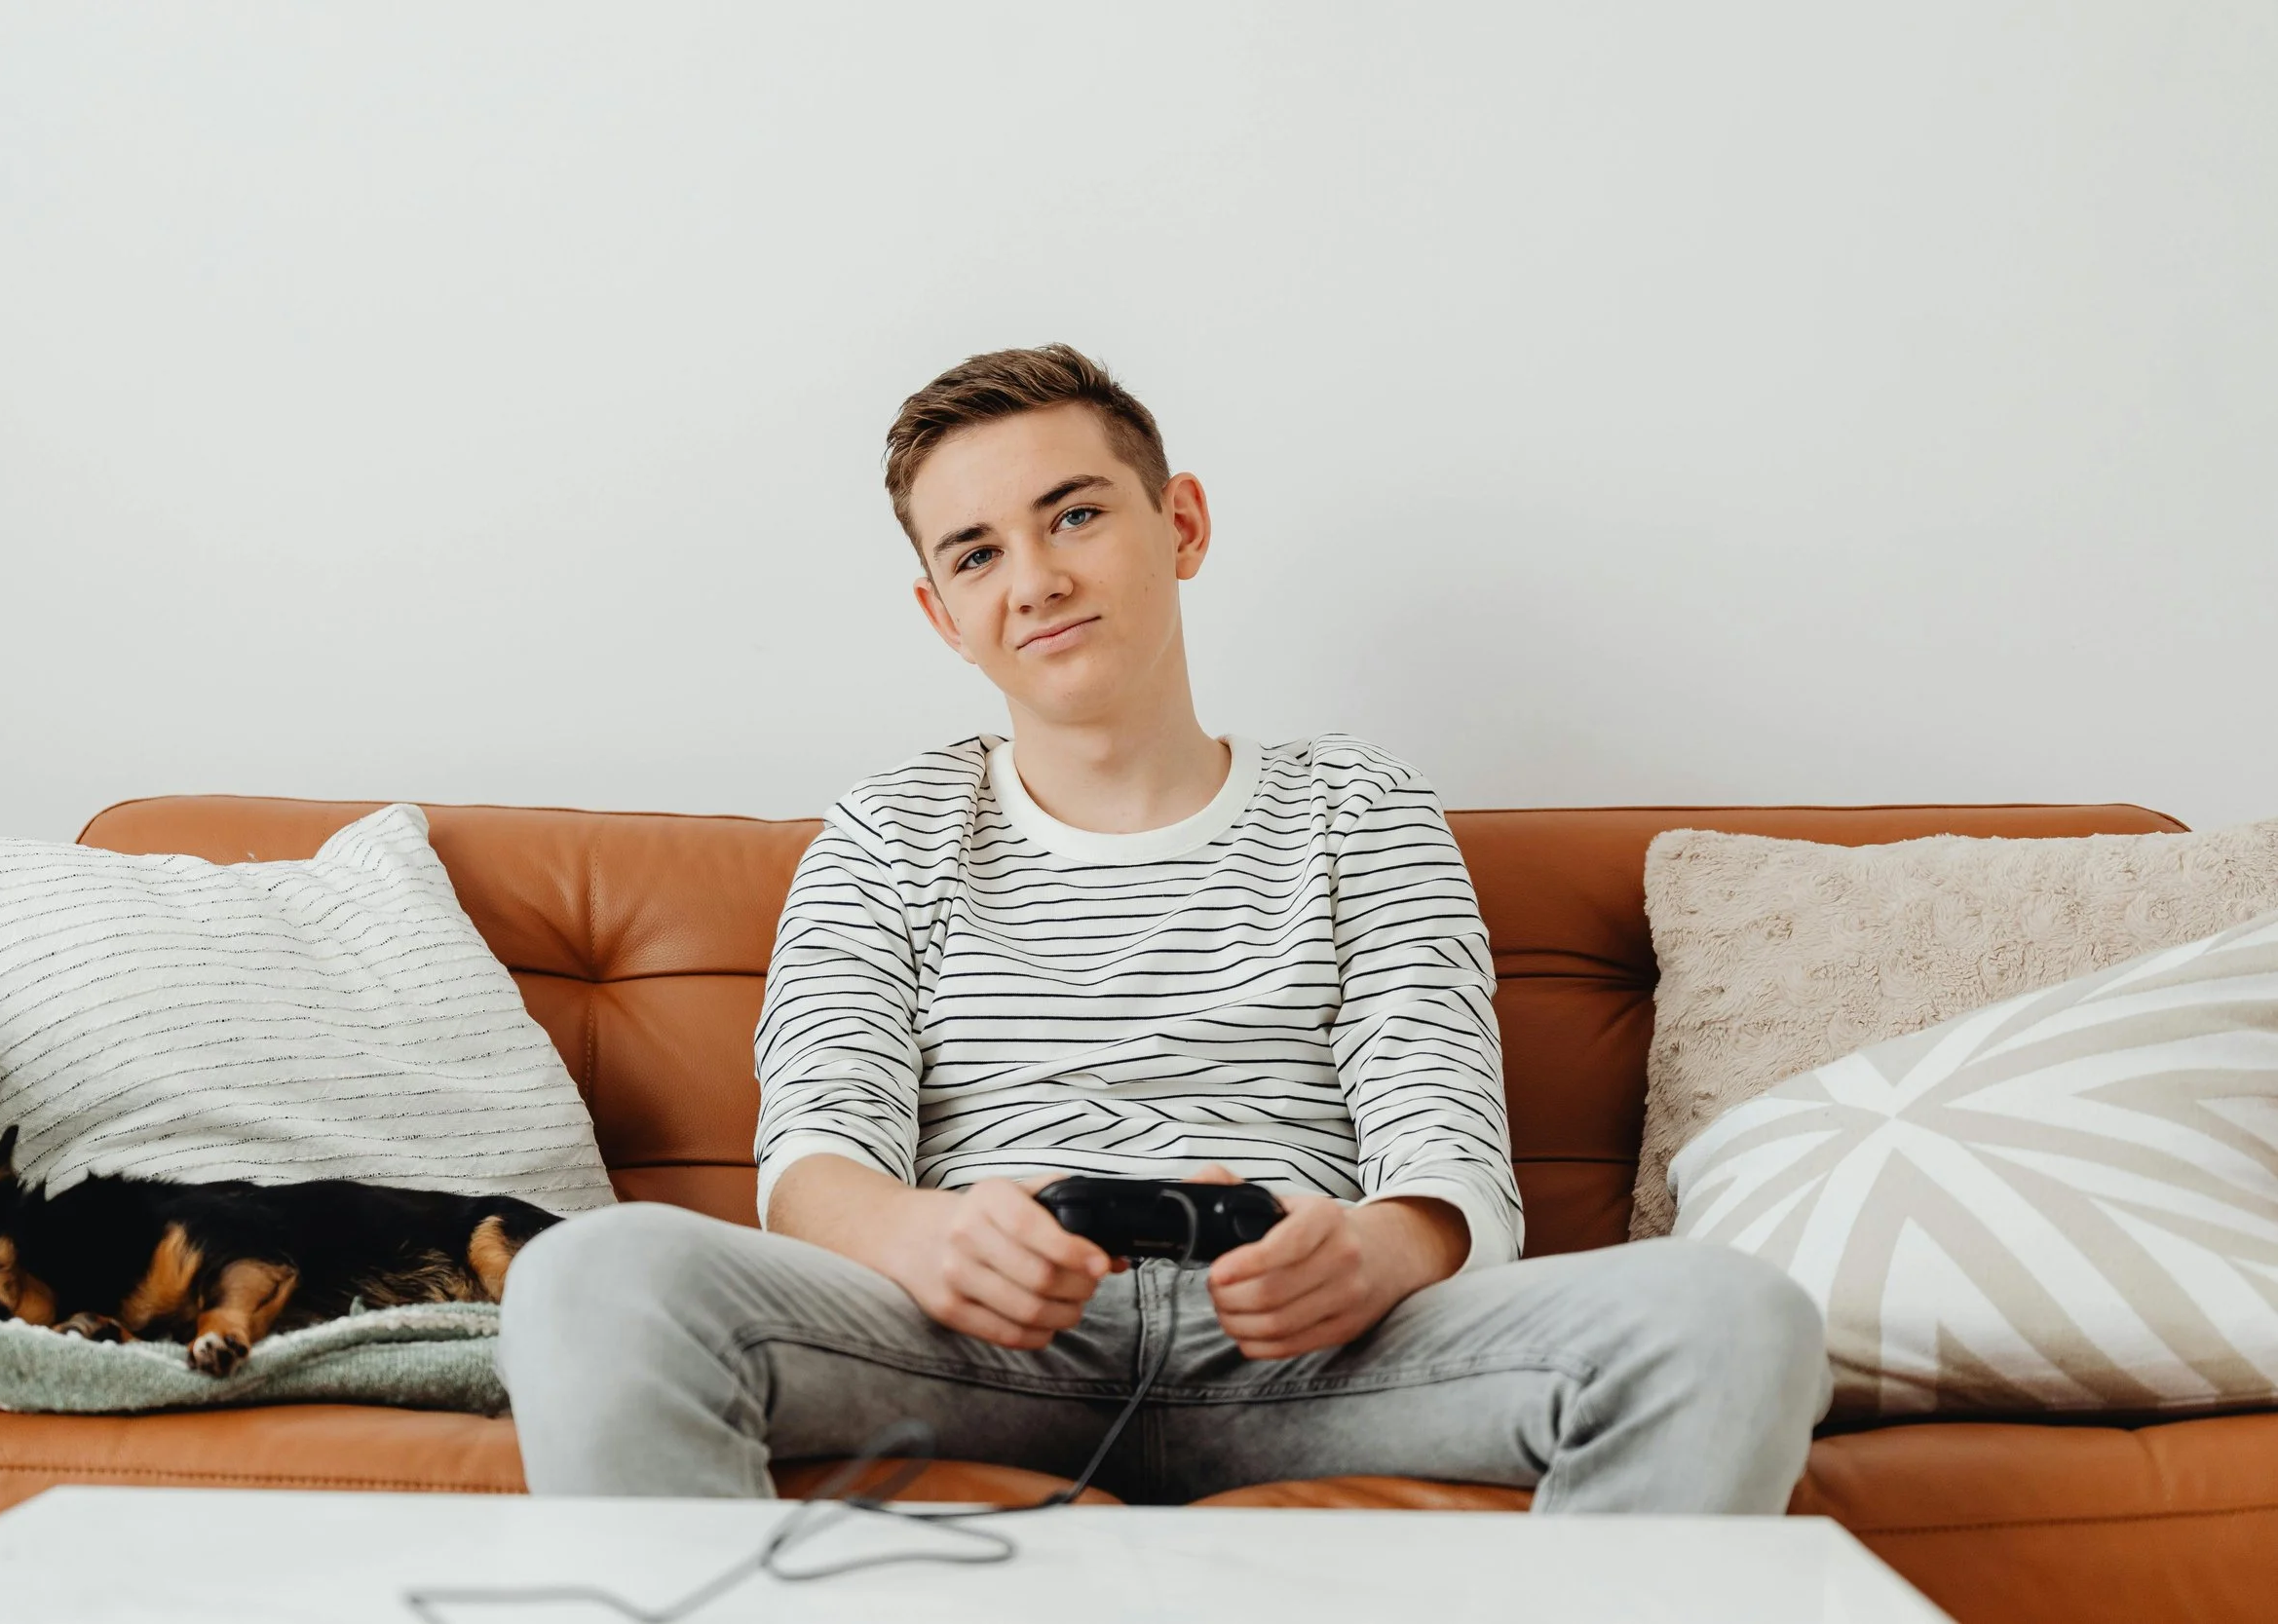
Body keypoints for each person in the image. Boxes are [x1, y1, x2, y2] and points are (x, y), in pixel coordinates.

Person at [497, 345, 1829, 1511]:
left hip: (1317, 1349)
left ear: (1179, 522)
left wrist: (1375, 1247)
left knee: (1732, 1315)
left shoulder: (1361, 808)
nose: (1035, 578)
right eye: (977, 553)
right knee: (592, 1277)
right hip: (970, 1342)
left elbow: (1448, 1154)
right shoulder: (887, 826)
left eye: (1073, 514)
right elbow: (811, 1158)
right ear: (941, 615)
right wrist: (923, 1238)